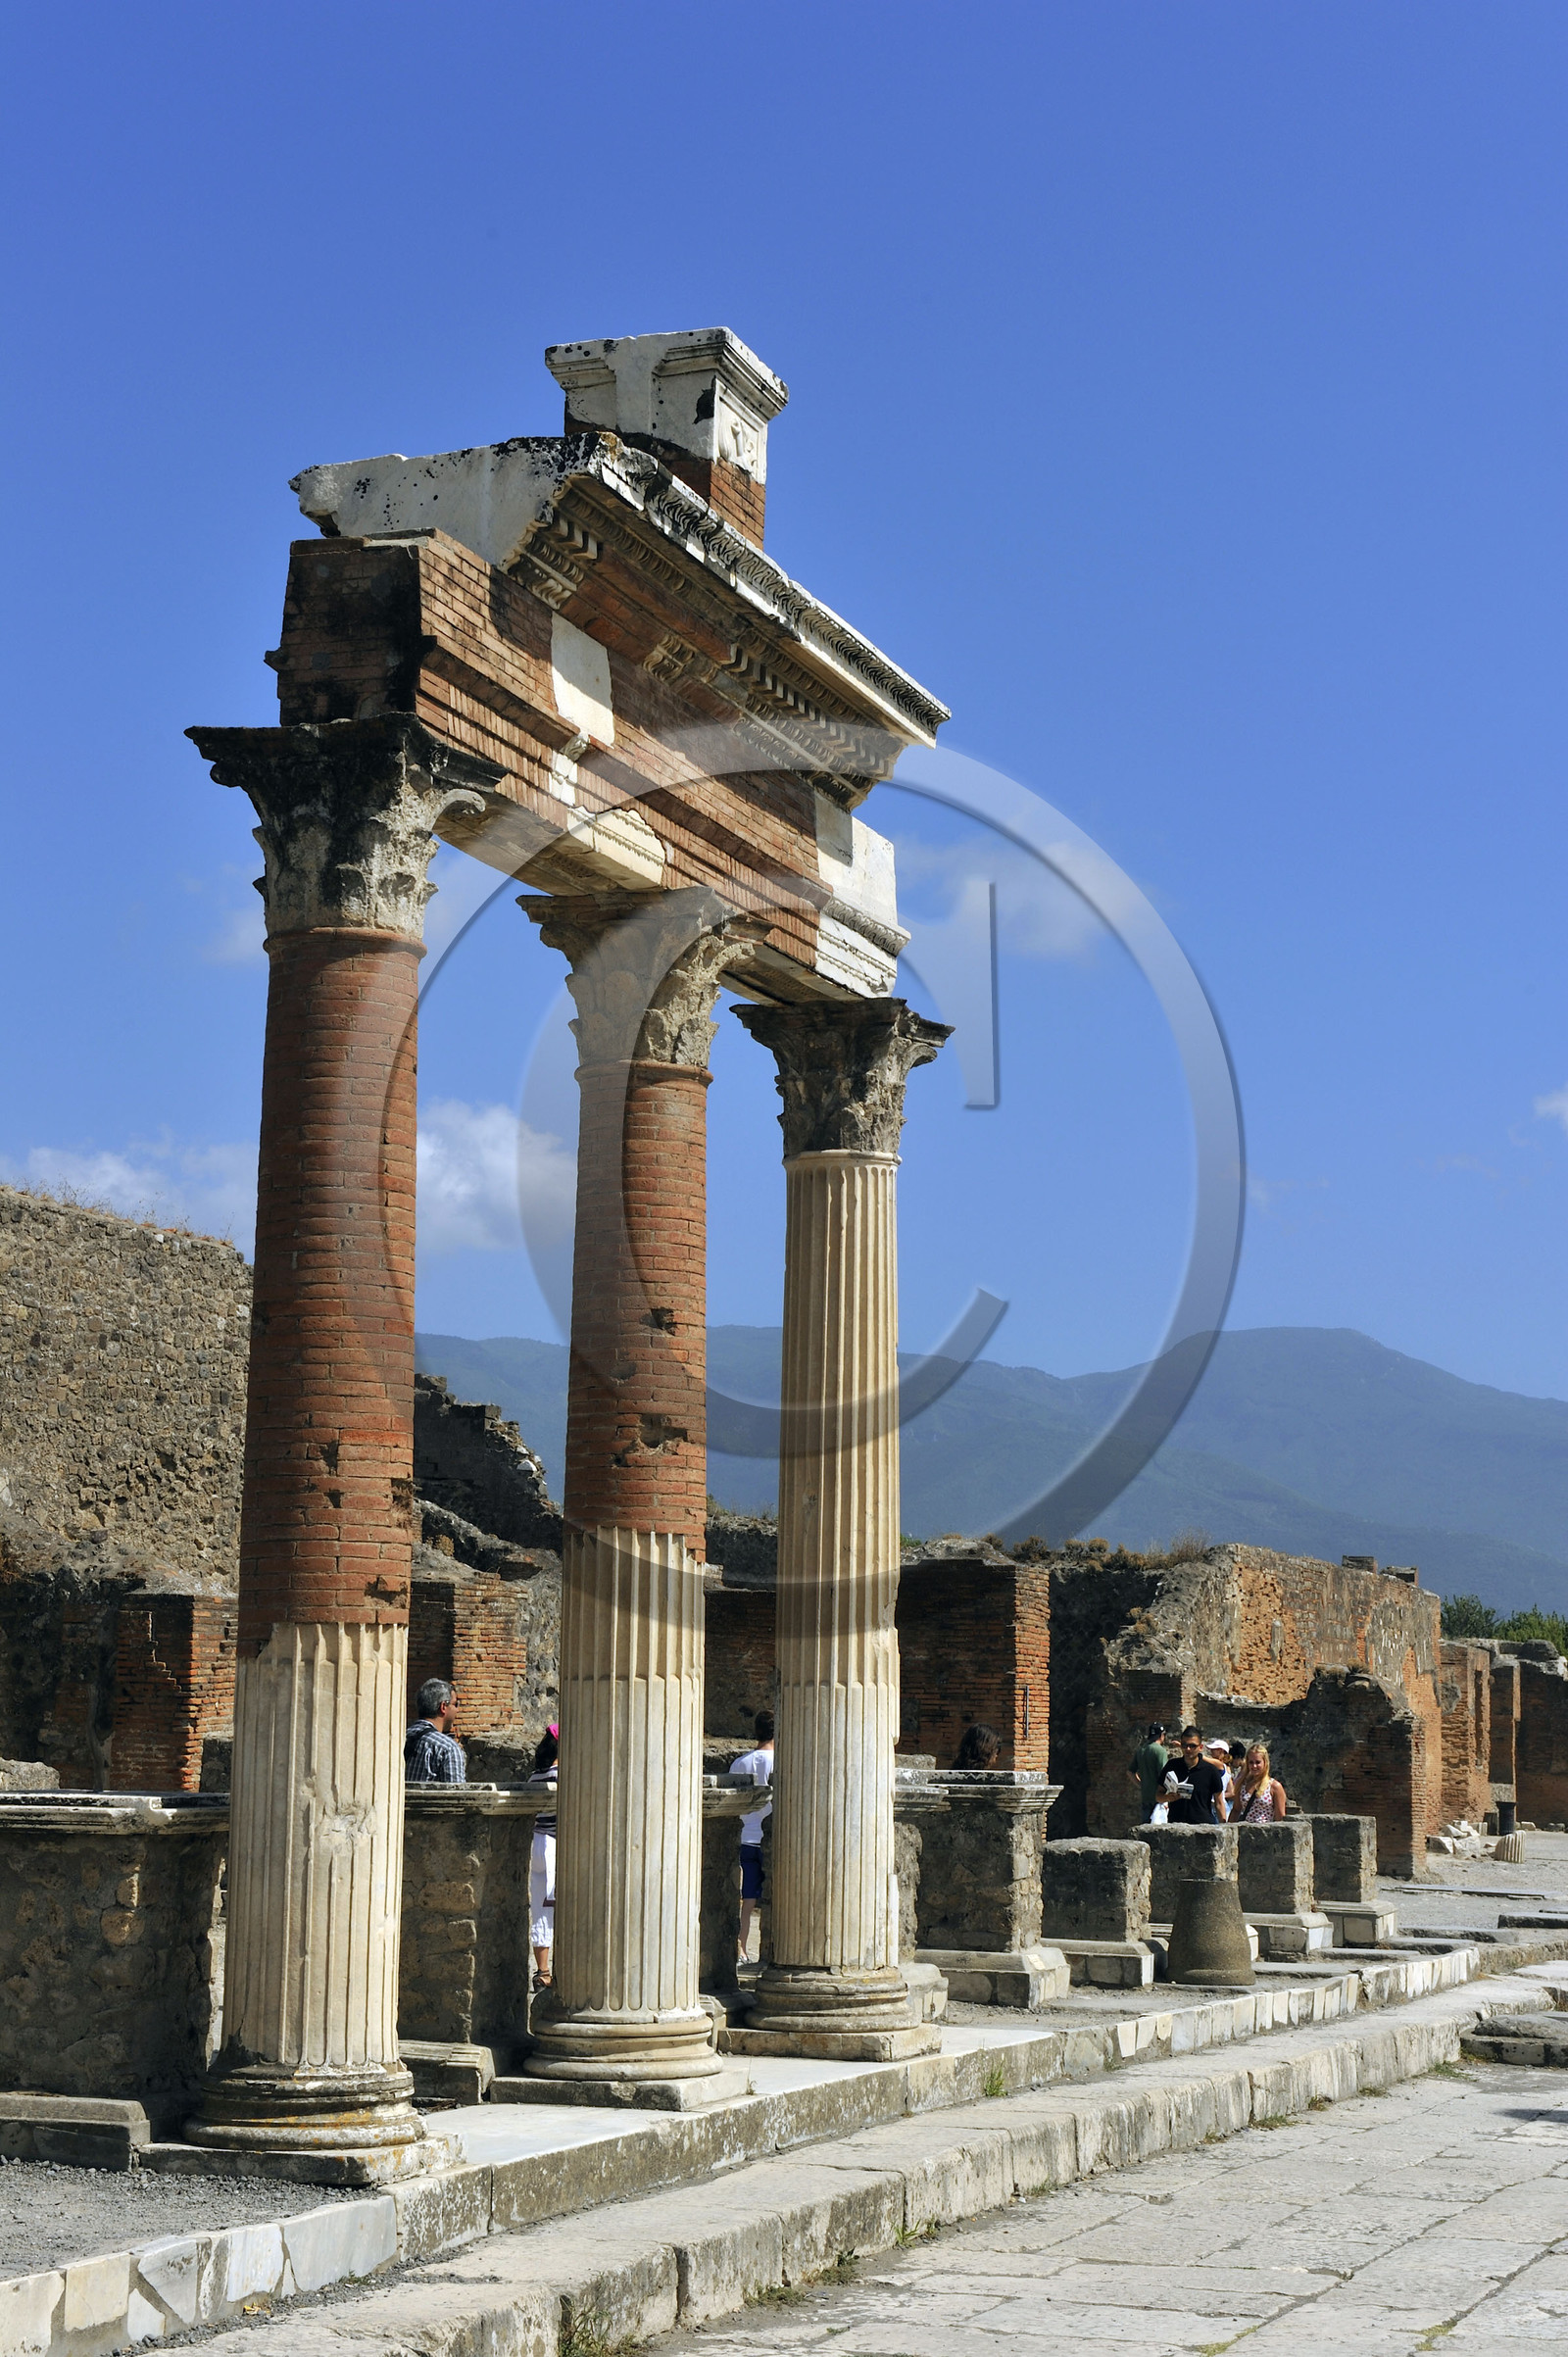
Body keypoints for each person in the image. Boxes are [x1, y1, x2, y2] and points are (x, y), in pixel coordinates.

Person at [729, 1708, 774, 1965]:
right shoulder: (783, 1761)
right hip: (771, 1838)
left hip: (746, 1835)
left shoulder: (741, 1763)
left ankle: (742, 1948)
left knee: (746, 1900)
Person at [526, 1724, 559, 1987]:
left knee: (540, 1908)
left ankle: (542, 1970)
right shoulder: (564, 1776)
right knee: (562, 1908)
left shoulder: (535, 1777)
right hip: (556, 1847)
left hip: (537, 1844)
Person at [1162, 1725, 1228, 1823]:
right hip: (1176, 1824)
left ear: (1200, 1747)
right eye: (1184, 1745)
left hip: (1203, 1826)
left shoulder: (1210, 1771)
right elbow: (1158, 1794)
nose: (1188, 1749)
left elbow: (1219, 1802)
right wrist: (1168, 1797)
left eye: (1192, 1746)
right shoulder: (1172, 1766)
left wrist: (1224, 1826)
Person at [404, 1678, 466, 1784]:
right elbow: (457, 1796)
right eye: (455, 1704)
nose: (457, 1710)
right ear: (443, 1707)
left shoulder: (399, 1739)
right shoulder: (448, 1748)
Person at [1230, 1742, 1288, 1823]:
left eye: (1258, 1762)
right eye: (1251, 1762)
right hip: (1245, 1831)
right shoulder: (1242, 1784)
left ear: (1265, 1762)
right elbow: (1236, 1810)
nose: (1254, 1766)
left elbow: (1280, 1818)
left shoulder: (1274, 1786)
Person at [1130, 1723, 1169, 1820]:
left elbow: (1130, 1772)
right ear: (1162, 1735)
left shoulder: (1141, 1750)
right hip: (1159, 1797)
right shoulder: (1160, 1751)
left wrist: (1140, 1784)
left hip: (1146, 1795)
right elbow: (1164, 1774)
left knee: (1146, 1830)